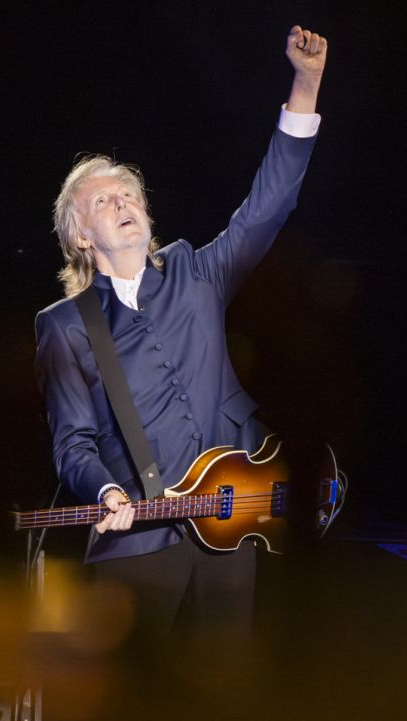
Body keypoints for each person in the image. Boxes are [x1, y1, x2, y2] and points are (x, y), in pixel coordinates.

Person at [35, 25, 327, 651]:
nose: (122, 202)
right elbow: (73, 443)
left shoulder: (196, 272)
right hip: (139, 539)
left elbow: (265, 208)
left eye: (128, 193)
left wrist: (305, 85)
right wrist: (108, 489)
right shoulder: (65, 325)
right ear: (81, 238)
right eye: (102, 201)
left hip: (233, 526)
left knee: (219, 715)